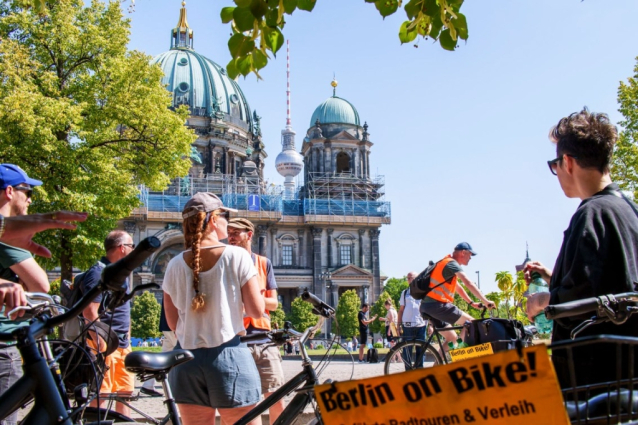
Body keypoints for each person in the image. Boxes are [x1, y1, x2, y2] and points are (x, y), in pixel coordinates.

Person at [525, 108, 638, 389]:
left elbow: (582, 301)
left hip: (593, 382)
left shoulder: (590, 214)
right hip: (627, 374)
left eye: (555, 166)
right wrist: (555, 277)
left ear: (568, 162)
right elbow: (610, 284)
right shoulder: (628, 210)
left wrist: (540, 302)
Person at [162, 192, 264, 425]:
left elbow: (172, 323)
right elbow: (257, 311)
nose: (227, 223)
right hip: (228, 356)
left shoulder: (174, 264)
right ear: (212, 220)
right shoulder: (237, 256)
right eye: (225, 216)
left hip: (186, 361)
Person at [0, 164, 51, 425]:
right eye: (26, 191)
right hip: (4, 343)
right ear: (9, 191)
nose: (30, 199)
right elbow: (41, 284)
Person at [227, 217, 286, 422]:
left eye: (236, 233)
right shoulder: (225, 262)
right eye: (229, 233)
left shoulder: (263, 263)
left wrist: (252, 299)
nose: (230, 237)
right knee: (247, 403)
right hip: (237, 341)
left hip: (264, 340)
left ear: (249, 235)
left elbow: (274, 303)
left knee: (277, 398)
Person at [80, 230, 136, 416]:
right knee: (102, 393)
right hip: (105, 344)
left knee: (125, 392)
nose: (134, 250)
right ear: (121, 248)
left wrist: (127, 335)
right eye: (132, 246)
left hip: (122, 344)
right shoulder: (99, 273)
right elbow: (89, 312)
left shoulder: (118, 273)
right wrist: (100, 342)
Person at [419, 242, 495, 354]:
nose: (470, 258)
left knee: (452, 338)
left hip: (428, 306)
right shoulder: (451, 264)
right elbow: (468, 283)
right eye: (470, 255)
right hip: (437, 305)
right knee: (471, 323)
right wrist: (486, 301)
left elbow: (459, 288)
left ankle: (437, 367)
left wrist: (471, 303)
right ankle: (461, 353)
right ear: (463, 252)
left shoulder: (446, 264)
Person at [141, 301, 177, 397]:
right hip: (174, 326)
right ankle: (178, 386)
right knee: (184, 355)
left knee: (162, 358)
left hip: (167, 325)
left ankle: (148, 385)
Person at [398, 272, 427, 369]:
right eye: (408, 278)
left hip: (421, 325)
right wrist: (398, 326)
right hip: (407, 325)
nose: (409, 280)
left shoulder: (423, 292)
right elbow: (401, 310)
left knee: (421, 351)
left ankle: (419, 372)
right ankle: (408, 371)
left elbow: (428, 309)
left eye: (411, 278)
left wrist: (430, 325)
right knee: (407, 352)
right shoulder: (405, 292)